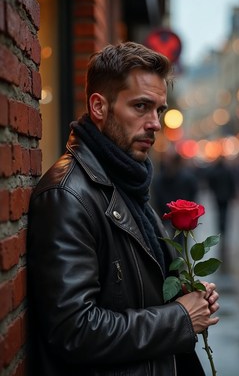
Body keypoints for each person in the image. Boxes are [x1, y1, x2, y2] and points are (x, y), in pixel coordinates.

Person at [27, 41, 220, 376]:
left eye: (159, 110)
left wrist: (185, 292)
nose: (155, 123)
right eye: (141, 107)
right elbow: (74, 331)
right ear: (99, 107)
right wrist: (179, 318)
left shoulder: (127, 181)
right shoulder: (67, 196)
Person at [152, 153, 199, 235]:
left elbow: (193, 194)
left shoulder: (188, 178)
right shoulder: (160, 179)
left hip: (181, 217)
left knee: (179, 240)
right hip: (165, 214)